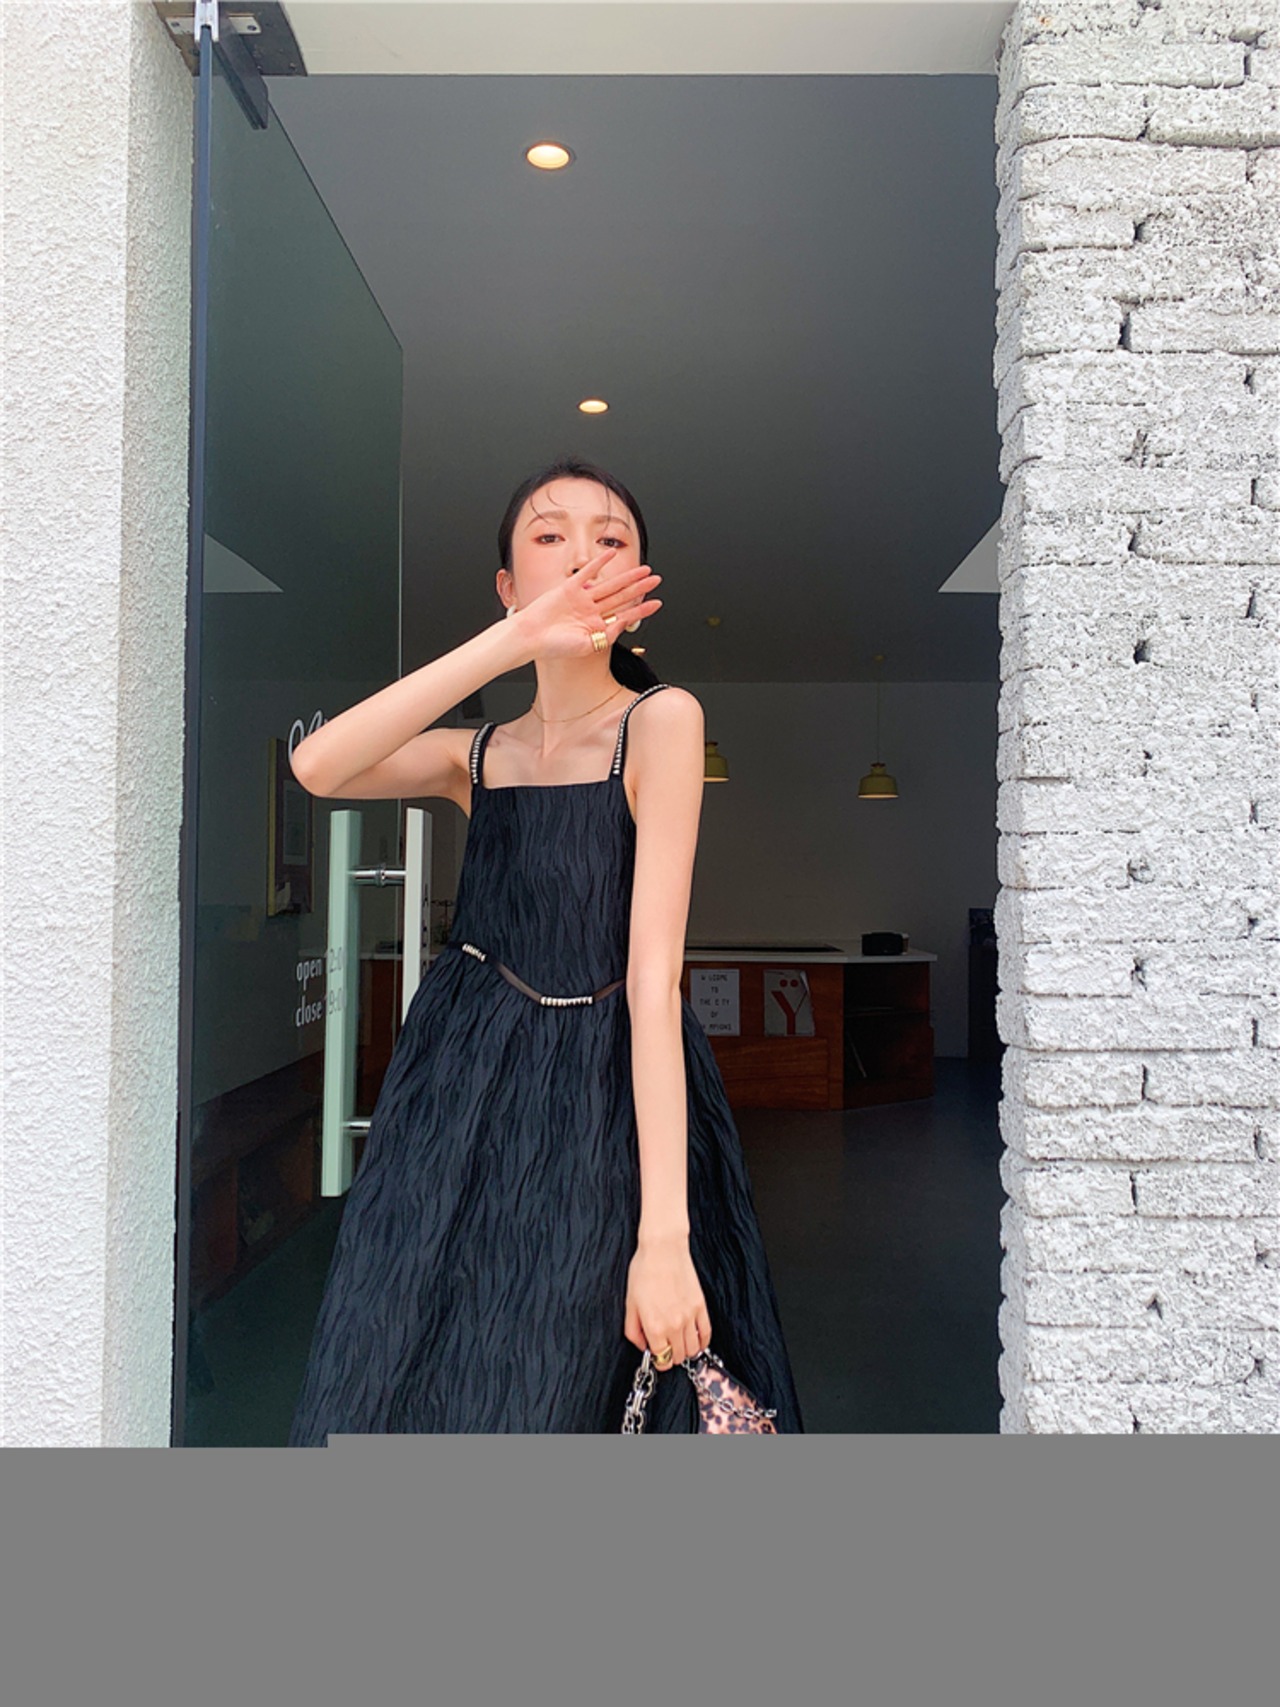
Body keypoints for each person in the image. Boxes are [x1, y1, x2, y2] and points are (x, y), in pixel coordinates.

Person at [287, 456, 804, 1437]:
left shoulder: (661, 722)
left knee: (565, 1379)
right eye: (549, 535)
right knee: (409, 1363)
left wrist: (664, 1236)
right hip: (454, 1097)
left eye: (610, 539)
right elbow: (318, 766)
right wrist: (514, 640)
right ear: (506, 582)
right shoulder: (476, 754)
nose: (581, 556)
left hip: (603, 1103)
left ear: (637, 586)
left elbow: (653, 984)